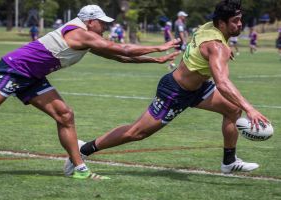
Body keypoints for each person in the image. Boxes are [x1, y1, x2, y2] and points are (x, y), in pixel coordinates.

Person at [64, 0, 270, 177]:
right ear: (221, 23)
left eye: (240, 19)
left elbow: (202, 47)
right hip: (174, 92)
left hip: (198, 88)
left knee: (233, 109)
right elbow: (223, 83)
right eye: (235, 21)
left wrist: (218, 57)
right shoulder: (216, 46)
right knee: (136, 133)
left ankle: (229, 161)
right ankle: (83, 149)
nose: (240, 24)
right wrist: (250, 108)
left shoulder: (209, 27)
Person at [0, 5, 180, 180]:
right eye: (102, 23)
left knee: (65, 115)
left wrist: (155, 60)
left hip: (32, 77)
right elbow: (124, 48)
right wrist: (158, 47)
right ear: (90, 22)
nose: (105, 27)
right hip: (15, 69)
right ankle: (79, 168)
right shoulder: (80, 33)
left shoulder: (87, 38)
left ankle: (80, 169)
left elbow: (120, 57)